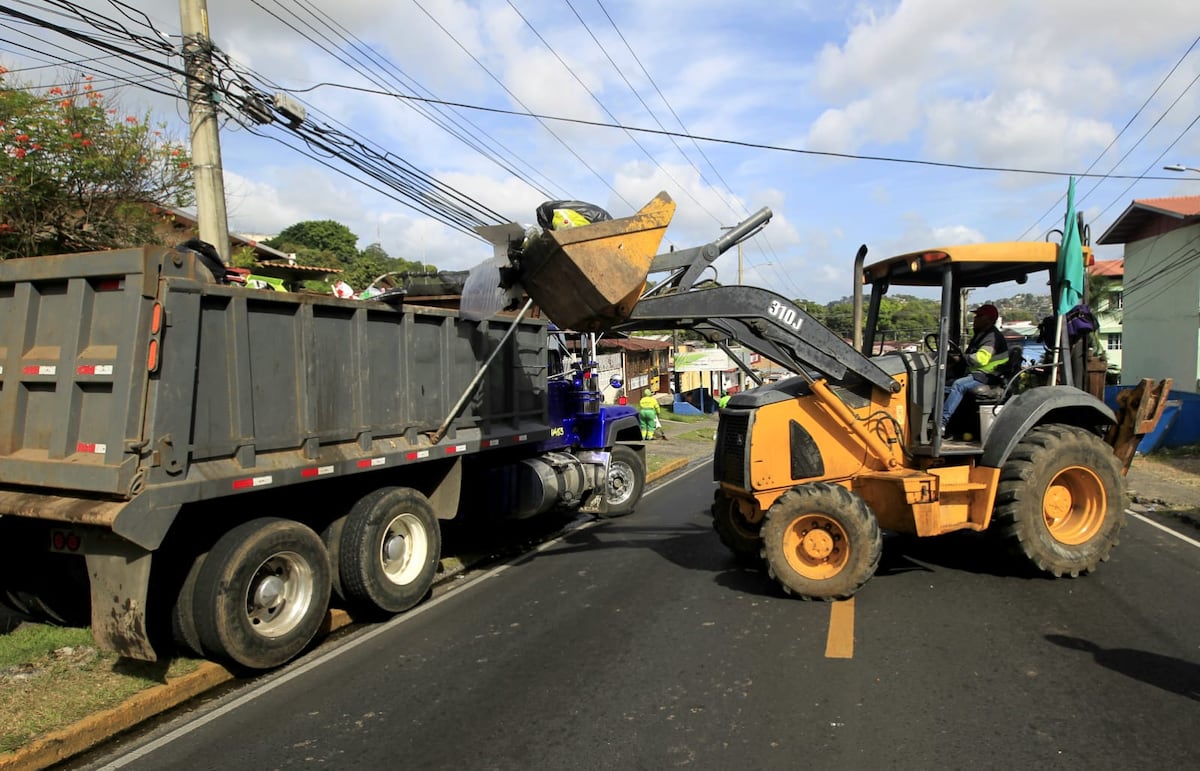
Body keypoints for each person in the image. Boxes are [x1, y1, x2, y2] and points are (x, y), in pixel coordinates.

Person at [940, 304, 1009, 437]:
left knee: (959, 385)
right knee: (942, 385)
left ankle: (941, 423)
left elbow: (981, 359)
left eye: (978, 316)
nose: (975, 319)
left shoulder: (991, 337)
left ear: (988, 319)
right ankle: (954, 428)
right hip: (979, 374)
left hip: (989, 375)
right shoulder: (981, 335)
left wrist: (961, 358)